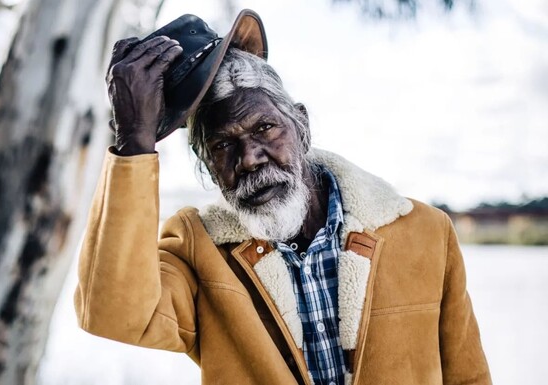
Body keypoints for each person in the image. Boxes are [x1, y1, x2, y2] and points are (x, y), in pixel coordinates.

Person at [74, 9, 492, 385]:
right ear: (208, 170)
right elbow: (113, 313)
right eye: (222, 147)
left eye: (264, 128)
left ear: (303, 127)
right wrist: (133, 142)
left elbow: (468, 378)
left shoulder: (425, 233)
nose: (250, 158)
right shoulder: (196, 251)